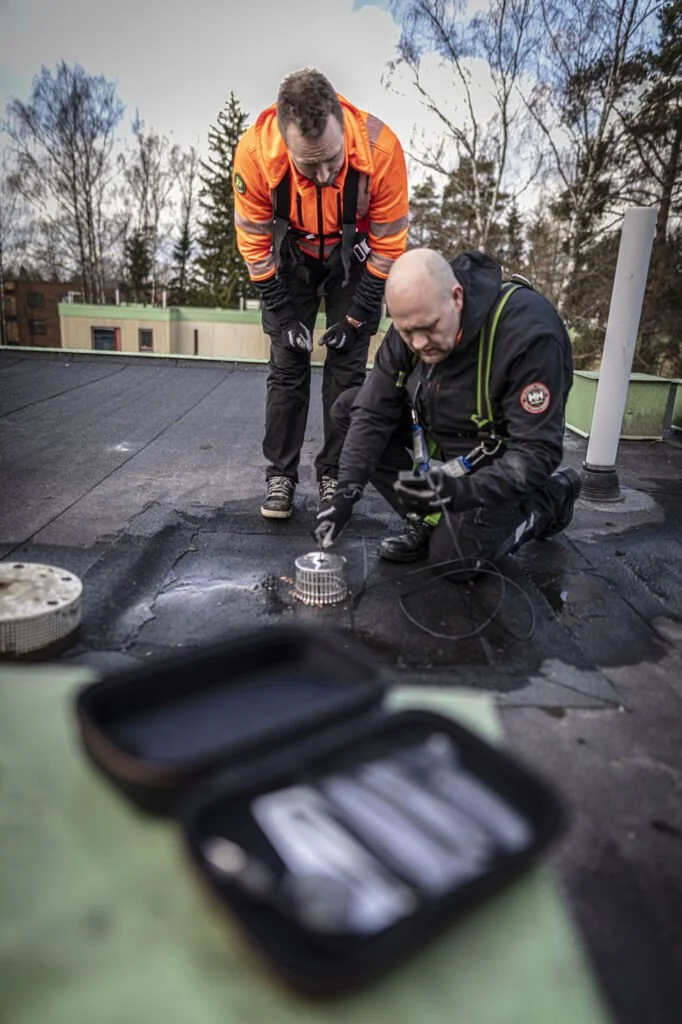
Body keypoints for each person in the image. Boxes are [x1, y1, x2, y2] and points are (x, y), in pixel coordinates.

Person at [312, 248, 581, 575]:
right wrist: (345, 495)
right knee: (349, 408)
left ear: (456, 297)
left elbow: (537, 451)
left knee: (456, 561)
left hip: (498, 453)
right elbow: (372, 410)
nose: (419, 343)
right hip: (437, 427)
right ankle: (427, 518)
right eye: (407, 331)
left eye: (429, 328)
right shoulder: (414, 318)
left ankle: (549, 500)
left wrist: (460, 492)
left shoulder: (530, 334)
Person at [233, 68, 409, 520]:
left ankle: (335, 472)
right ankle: (281, 475)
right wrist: (282, 313)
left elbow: (389, 245)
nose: (325, 174)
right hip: (292, 257)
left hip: (357, 258)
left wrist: (357, 315)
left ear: (341, 124)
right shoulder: (254, 155)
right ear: (284, 140)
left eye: (332, 158)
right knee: (287, 366)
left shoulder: (382, 149)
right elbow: (254, 245)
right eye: (308, 165)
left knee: (347, 368)